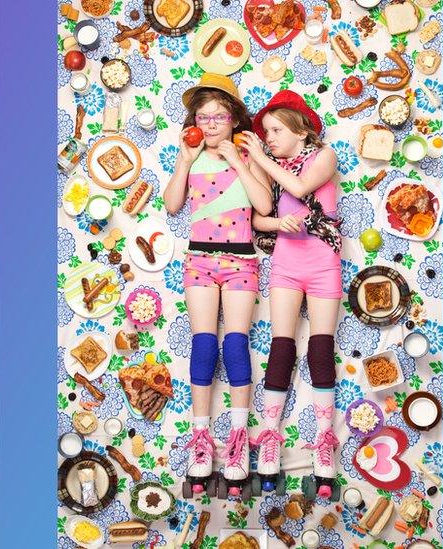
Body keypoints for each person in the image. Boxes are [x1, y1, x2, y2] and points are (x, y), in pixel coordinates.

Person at [162, 73, 272, 497]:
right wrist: (185, 162)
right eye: (203, 117)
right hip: (199, 261)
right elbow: (173, 204)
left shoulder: (246, 150)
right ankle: (202, 444)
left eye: (218, 117)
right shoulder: (189, 154)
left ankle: (240, 444)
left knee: (235, 346)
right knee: (204, 345)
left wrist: (240, 160)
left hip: (242, 259)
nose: (210, 125)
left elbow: (263, 205)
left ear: (233, 119)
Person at [240, 90, 342, 498]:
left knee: (320, 347)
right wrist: (277, 225)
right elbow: (257, 219)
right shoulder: (269, 166)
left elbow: (300, 188)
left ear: (301, 131)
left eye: (276, 130)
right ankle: (268, 439)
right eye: (265, 132)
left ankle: (323, 445)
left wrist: (261, 159)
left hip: (322, 264)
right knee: (281, 346)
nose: (269, 138)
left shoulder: (325, 156)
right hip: (286, 263)